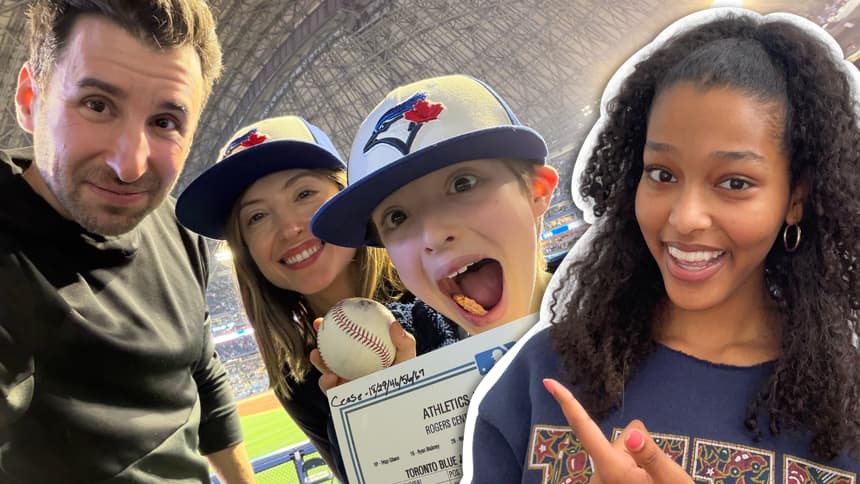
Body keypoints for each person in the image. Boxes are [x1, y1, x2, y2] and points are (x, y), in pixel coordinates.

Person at [462, 8, 860, 483]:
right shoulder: (542, 374)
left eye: (734, 182)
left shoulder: (847, 411)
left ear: (795, 198)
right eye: (662, 174)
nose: (685, 217)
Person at [0, 1, 255, 483]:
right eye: (97, 105)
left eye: (164, 122)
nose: (130, 165)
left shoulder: (177, 231)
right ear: (31, 98)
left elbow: (201, 370)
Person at [175, 115, 461, 481]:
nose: (290, 228)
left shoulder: (439, 286)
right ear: (246, 250)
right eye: (257, 216)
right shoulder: (298, 378)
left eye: (304, 194)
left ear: (346, 197)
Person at [311, 74, 559, 338]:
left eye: (463, 184)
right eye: (397, 217)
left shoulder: (607, 307)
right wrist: (403, 379)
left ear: (537, 190)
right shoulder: (410, 364)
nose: (434, 235)